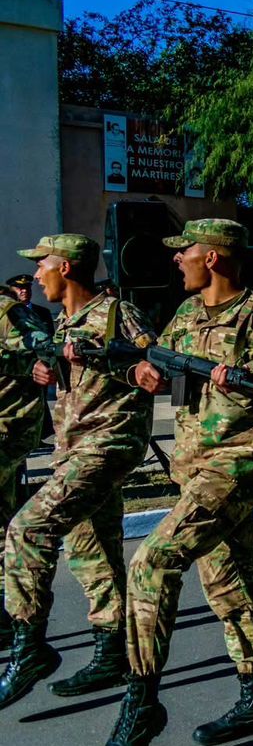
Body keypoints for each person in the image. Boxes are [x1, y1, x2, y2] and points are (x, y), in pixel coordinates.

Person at [94, 219, 253, 746]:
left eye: (184, 251)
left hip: (239, 464)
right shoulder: (185, 315)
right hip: (192, 465)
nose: (175, 259)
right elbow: (158, 361)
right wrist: (146, 371)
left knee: (153, 562)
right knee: (227, 581)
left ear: (211, 257)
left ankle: (140, 700)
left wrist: (250, 377)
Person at [1, 235, 153, 706]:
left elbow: (150, 365)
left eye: (42, 264)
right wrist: (49, 371)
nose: (36, 274)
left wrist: (113, 361)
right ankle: (112, 654)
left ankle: (29, 645)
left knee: (27, 529)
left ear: (64, 268)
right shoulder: (66, 322)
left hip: (107, 443)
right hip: (74, 448)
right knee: (93, 549)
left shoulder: (115, 314)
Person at [0, 259, 53, 665]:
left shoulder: (13, 313)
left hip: (9, 425)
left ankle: (11, 615)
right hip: (11, 425)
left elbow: (36, 348)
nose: (28, 288)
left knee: (11, 520)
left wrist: (32, 361)